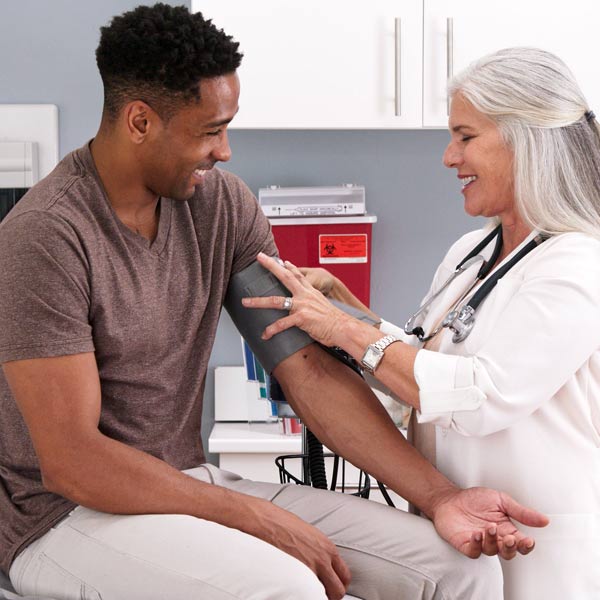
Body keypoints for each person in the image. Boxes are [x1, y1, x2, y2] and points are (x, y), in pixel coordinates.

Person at [0, 4, 548, 598]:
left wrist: (440, 498)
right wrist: (255, 518)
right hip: (61, 519)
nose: (225, 151)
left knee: (460, 569)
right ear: (139, 122)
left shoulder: (221, 208)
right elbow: (73, 461)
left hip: (185, 484)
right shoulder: (44, 238)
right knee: (287, 587)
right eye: (209, 130)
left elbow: (306, 370)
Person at [243, 47, 600, 600]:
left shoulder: (579, 263)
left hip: (544, 550)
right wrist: (345, 306)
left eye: (465, 136)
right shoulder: (472, 253)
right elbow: (422, 360)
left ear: (525, 139)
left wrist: (346, 330)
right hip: (464, 534)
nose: (448, 157)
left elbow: (482, 395)